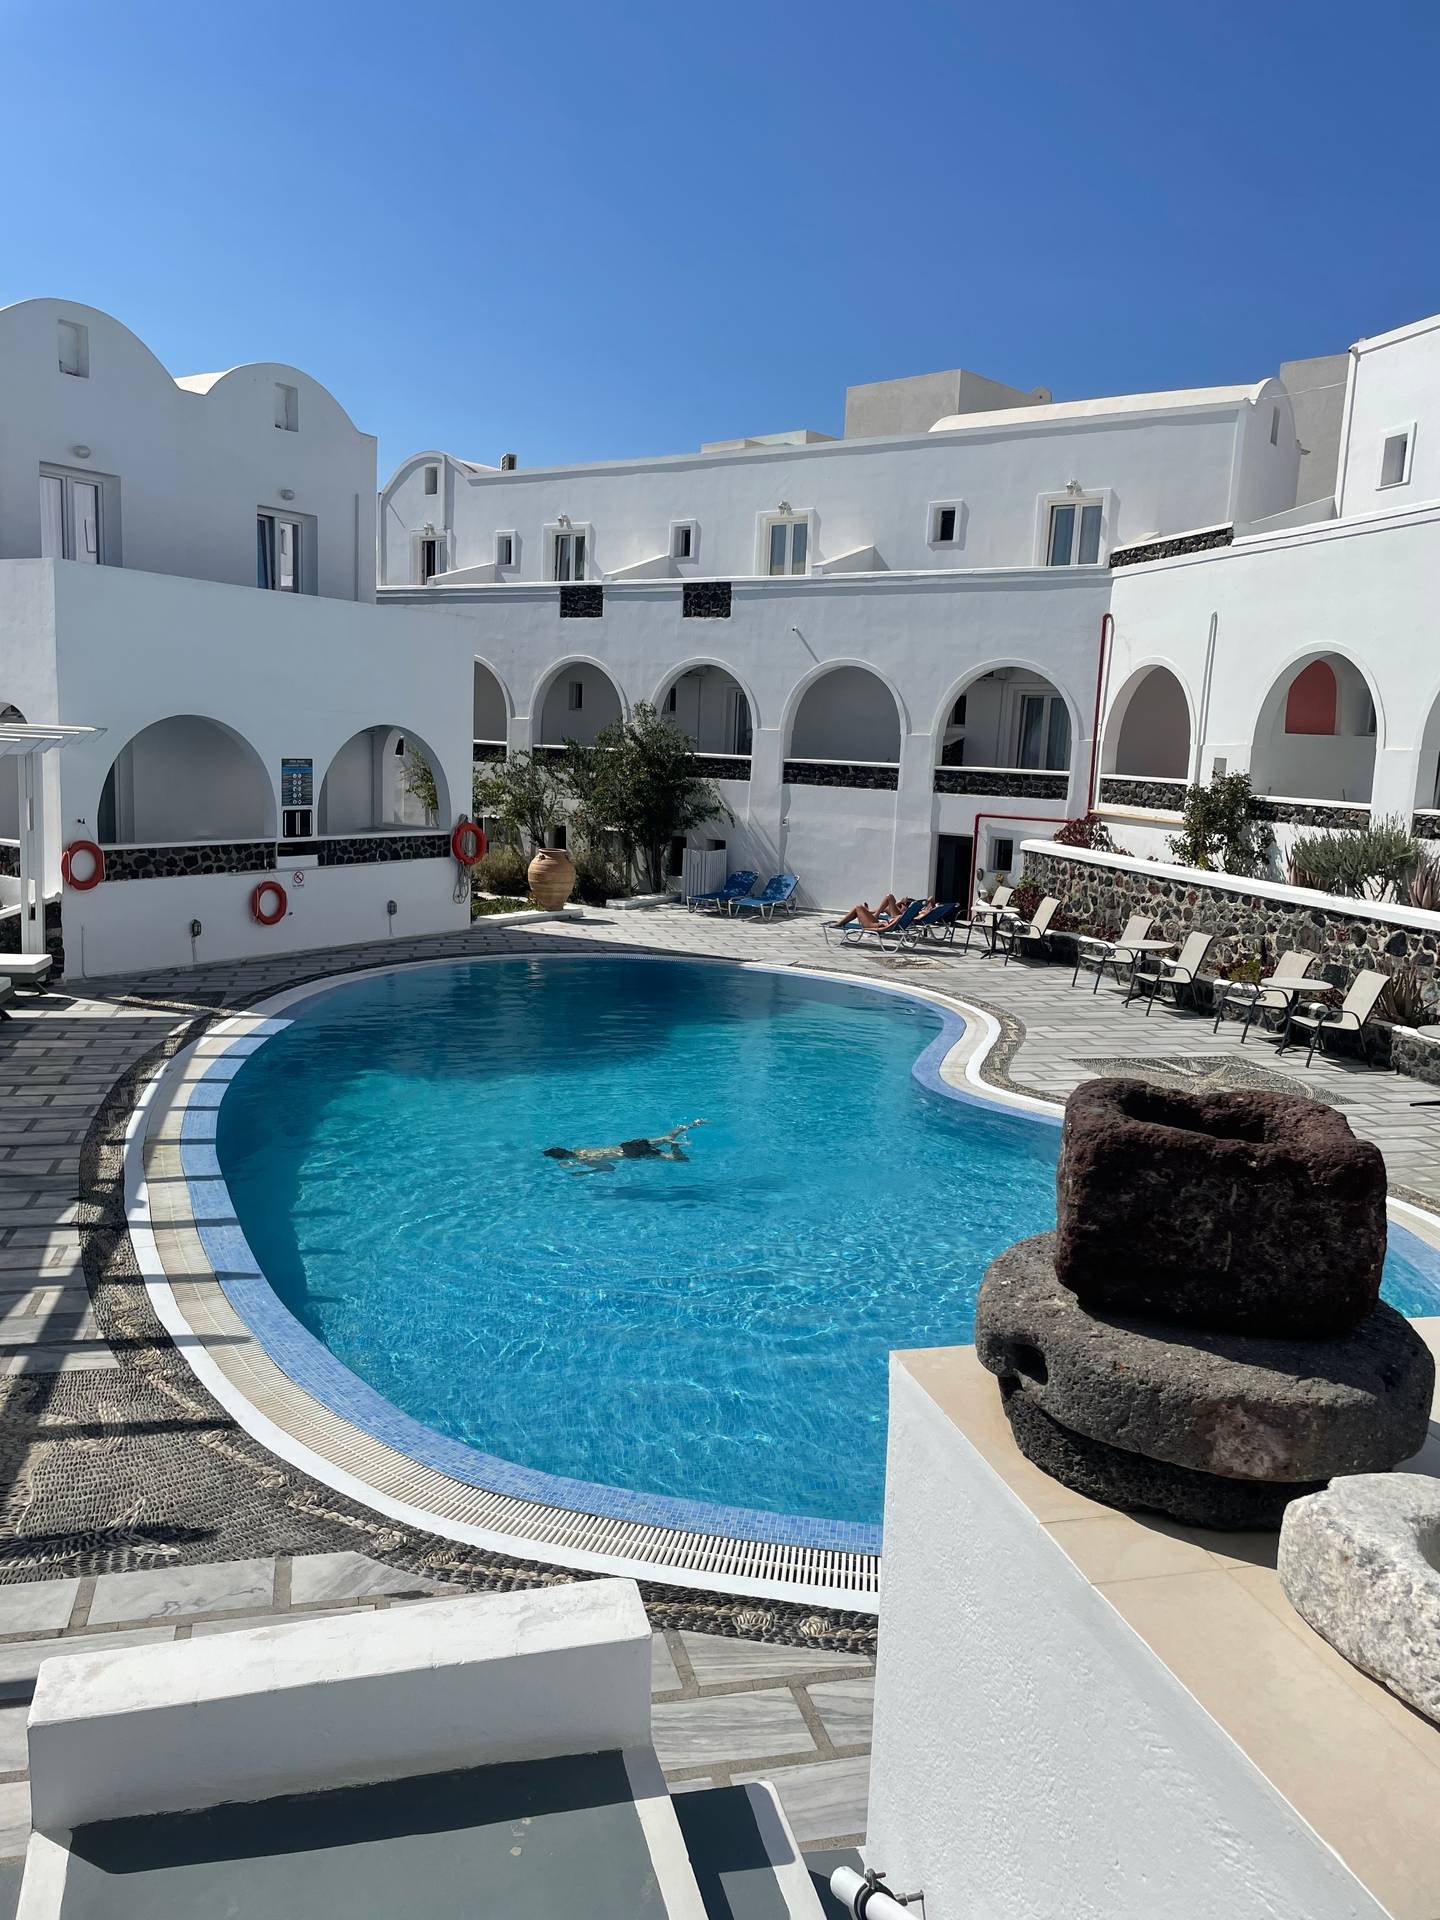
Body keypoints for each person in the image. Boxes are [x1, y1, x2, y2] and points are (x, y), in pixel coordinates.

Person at [543, 1119, 707, 1173]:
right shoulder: (580, 1150)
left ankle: (675, 1147)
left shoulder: (585, 1160)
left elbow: (610, 1168)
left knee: (679, 1160)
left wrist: (585, 1173)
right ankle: (694, 1123)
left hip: (631, 1154)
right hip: (628, 1145)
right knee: (667, 1136)